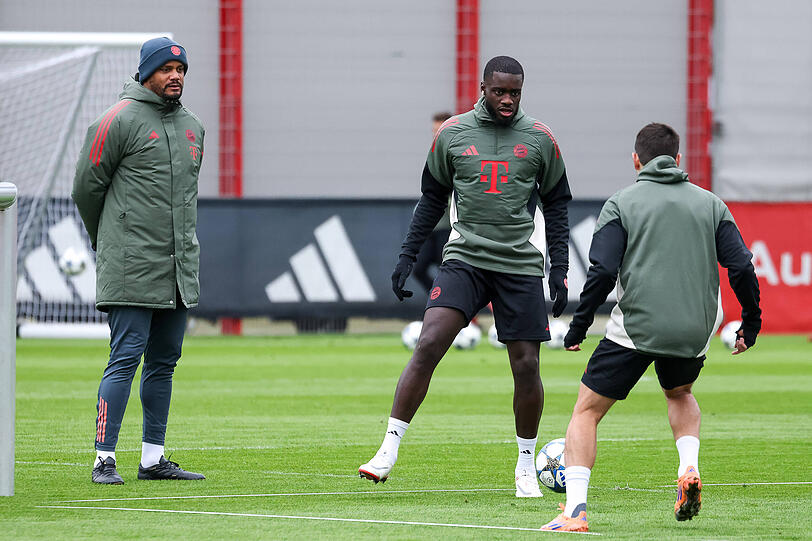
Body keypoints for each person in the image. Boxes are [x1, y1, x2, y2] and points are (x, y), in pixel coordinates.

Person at [359, 56, 572, 498]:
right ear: (483, 88)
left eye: (515, 92)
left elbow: (556, 206)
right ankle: (387, 450)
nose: (508, 100)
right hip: (465, 259)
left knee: (527, 364)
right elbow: (431, 201)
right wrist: (406, 257)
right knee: (430, 341)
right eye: (500, 92)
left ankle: (526, 466)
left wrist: (560, 268)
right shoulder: (452, 134)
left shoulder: (541, 139)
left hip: (518, 264)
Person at [540, 123, 761, 532]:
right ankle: (688, 468)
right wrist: (751, 321)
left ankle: (574, 513)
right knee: (679, 392)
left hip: (637, 327)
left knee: (586, 412)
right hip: (696, 327)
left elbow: (603, 269)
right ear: (678, 161)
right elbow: (742, 266)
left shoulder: (621, 203)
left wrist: (580, 325)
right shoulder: (711, 204)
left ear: (636, 160)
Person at [72, 37, 206, 484]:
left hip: (177, 268)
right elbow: (85, 190)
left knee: (164, 362)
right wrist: (109, 243)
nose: (176, 76)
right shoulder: (116, 120)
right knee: (125, 357)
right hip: (131, 265)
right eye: (167, 68)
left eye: (181, 69)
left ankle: (152, 459)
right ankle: (103, 459)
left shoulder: (193, 127)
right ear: (146, 71)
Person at [411, 112, 453, 294]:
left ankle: (464, 313)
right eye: (434, 130)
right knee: (417, 269)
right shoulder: (435, 153)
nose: (436, 134)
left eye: (440, 130)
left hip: (449, 227)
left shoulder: (458, 153)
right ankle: (438, 300)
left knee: (450, 272)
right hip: (431, 227)